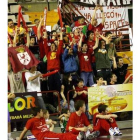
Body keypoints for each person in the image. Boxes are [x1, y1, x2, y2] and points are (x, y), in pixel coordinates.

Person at [19, 107, 85, 140]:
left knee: (63, 134)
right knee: (60, 137)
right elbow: (24, 131)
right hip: (43, 137)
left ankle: (77, 137)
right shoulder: (31, 121)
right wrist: (19, 139)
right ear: (38, 113)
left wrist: (51, 123)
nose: (43, 112)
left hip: (48, 133)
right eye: (41, 111)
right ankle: (76, 138)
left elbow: (47, 121)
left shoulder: (42, 119)